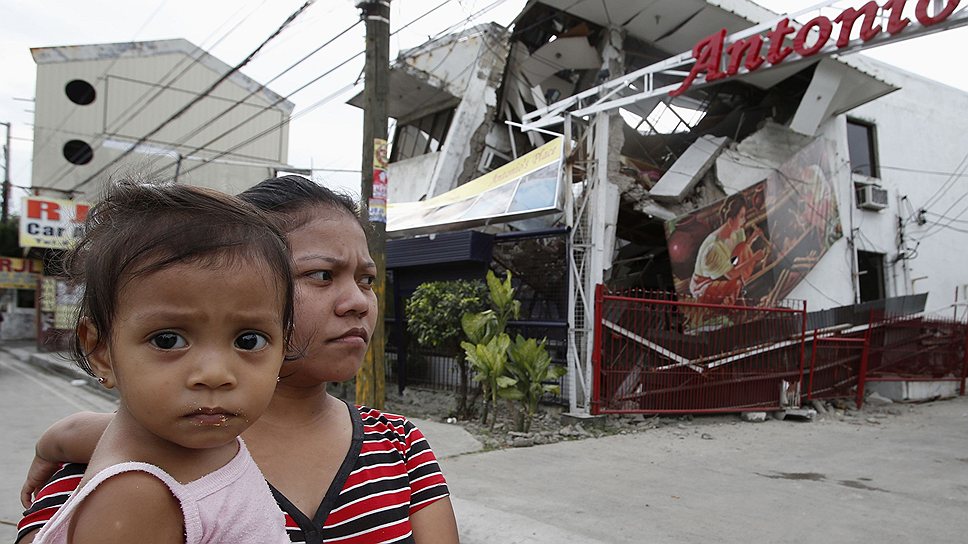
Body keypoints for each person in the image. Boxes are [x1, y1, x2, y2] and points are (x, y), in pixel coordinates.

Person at [18, 175, 460, 544]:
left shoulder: (399, 444)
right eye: (321, 275)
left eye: (366, 280)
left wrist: (60, 435)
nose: (358, 302)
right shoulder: (126, 474)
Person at [31, 181, 295, 544]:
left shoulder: (186, 434)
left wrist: (48, 448)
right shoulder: (135, 500)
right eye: (168, 340)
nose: (215, 374)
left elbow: (74, 432)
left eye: (249, 340)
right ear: (100, 351)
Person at [688, 193, 767, 306]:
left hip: (722, 274)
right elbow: (730, 274)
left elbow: (733, 260)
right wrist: (753, 258)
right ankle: (729, 308)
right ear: (730, 220)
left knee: (743, 247)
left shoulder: (737, 233)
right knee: (736, 283)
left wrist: (751, 240)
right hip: (704, 286)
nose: (744, 221)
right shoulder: (714, 247)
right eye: (741, 216)